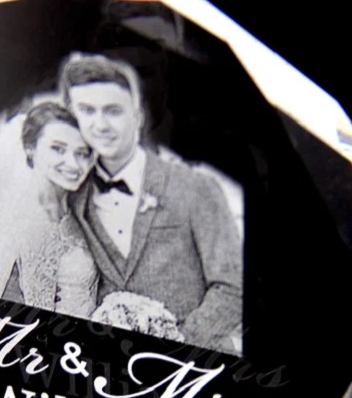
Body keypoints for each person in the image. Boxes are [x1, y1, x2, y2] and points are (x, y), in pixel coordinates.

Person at [60, 53, 243, 354]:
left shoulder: (194, 187)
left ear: (138, 117)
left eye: (113, 111)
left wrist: (178, 345)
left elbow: (234, 287)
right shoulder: (74, 196)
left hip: (195, 362)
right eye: (87, 111)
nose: (100, 124)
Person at [0, 102, 99, 316]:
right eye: (58, 149)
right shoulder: (20, 221)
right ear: (30, 148)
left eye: (82, 153)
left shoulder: (78, 211)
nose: (73, 164)